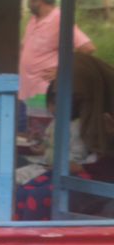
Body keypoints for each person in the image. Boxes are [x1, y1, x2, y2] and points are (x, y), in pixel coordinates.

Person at [15, 52, 114, 219]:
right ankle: (19, 241)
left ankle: (42, 243)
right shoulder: (86, 111)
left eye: (74, 97)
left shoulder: (104, 110)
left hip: (101, 178)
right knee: (24, 191)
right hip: (83, 171)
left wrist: (82, 167)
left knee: (39, 198)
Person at [19, 0, 93, 135]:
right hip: (28, 89)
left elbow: (87, 48)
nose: (27, 2)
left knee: (45, 135)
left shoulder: (59, 19)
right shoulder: (34, 20)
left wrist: (64, 70)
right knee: (32, 135)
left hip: (45, 91)